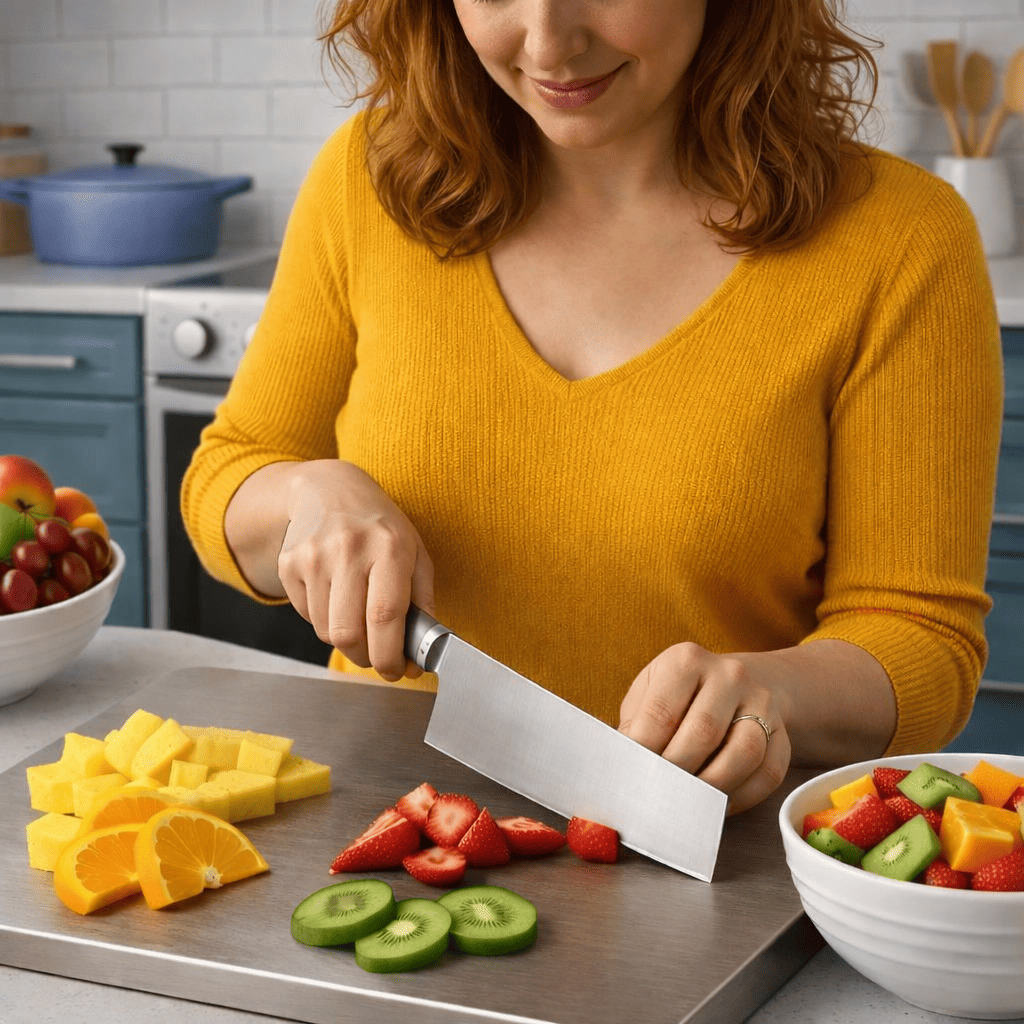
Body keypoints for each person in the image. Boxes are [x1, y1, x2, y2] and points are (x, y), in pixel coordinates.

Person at [181, 0, 1003, 815]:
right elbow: (228, 474)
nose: (548, 44)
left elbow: (920, 636)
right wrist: (305, 498)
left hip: (714, 854)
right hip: (383, 829)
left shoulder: (901, 240)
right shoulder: (366, 179)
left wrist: (779, 692)